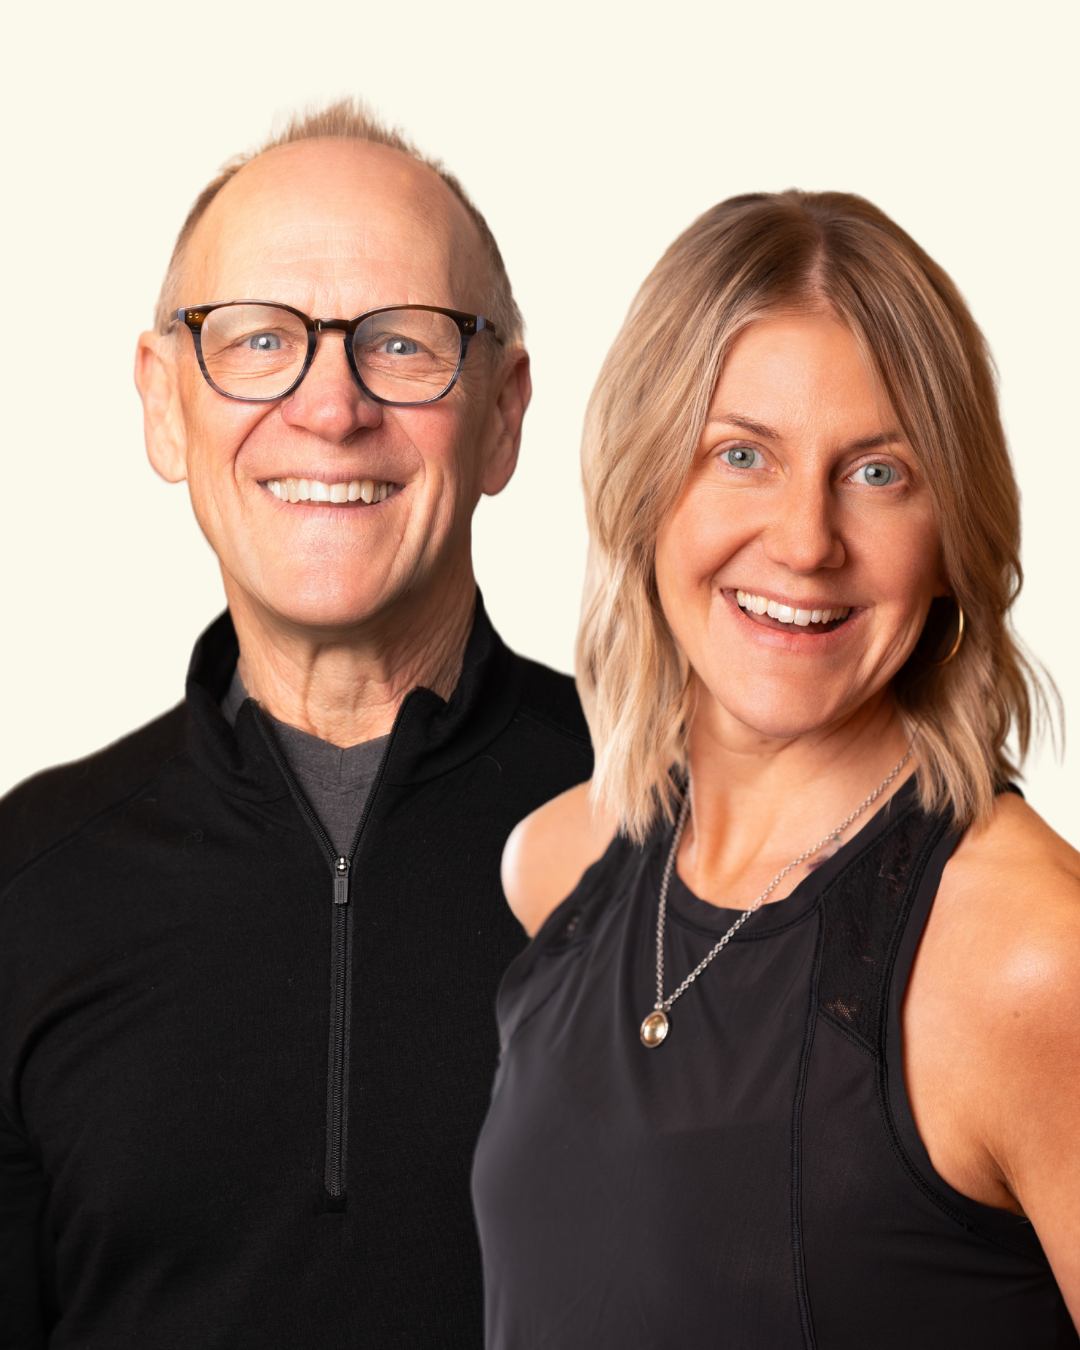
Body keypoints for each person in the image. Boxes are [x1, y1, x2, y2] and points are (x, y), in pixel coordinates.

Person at [0, 101, 592, 1347]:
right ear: (165, 405)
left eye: (403, 342)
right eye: (260, 339)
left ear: (504, 412)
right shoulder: (26, 881)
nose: (331, 407)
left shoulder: (684, 826)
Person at [473, 190, 1080, 1347]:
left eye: (879, 472)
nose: (806, 541)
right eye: (741, 455)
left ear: (952, 530)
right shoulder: (555, 867)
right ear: (645, 486)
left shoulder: (1036, 960)